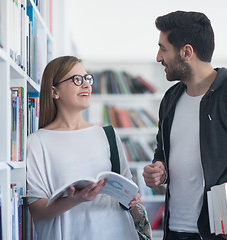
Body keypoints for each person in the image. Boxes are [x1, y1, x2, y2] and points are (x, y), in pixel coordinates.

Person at [142, 10, 227, 240]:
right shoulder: (170, 99)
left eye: (163, 48)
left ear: (187, 52)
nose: (158, 57)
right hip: (175, 231)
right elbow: (162, 154)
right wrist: (159, 171)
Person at [26, 56, 141, 240]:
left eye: (87, 78)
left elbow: (129, 193)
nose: (86, 85)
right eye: (76, 80)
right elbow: (37, 211)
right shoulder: (37, 143)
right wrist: (74, 200)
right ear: (55, 91)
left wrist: (133, 198)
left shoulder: (108, 135)